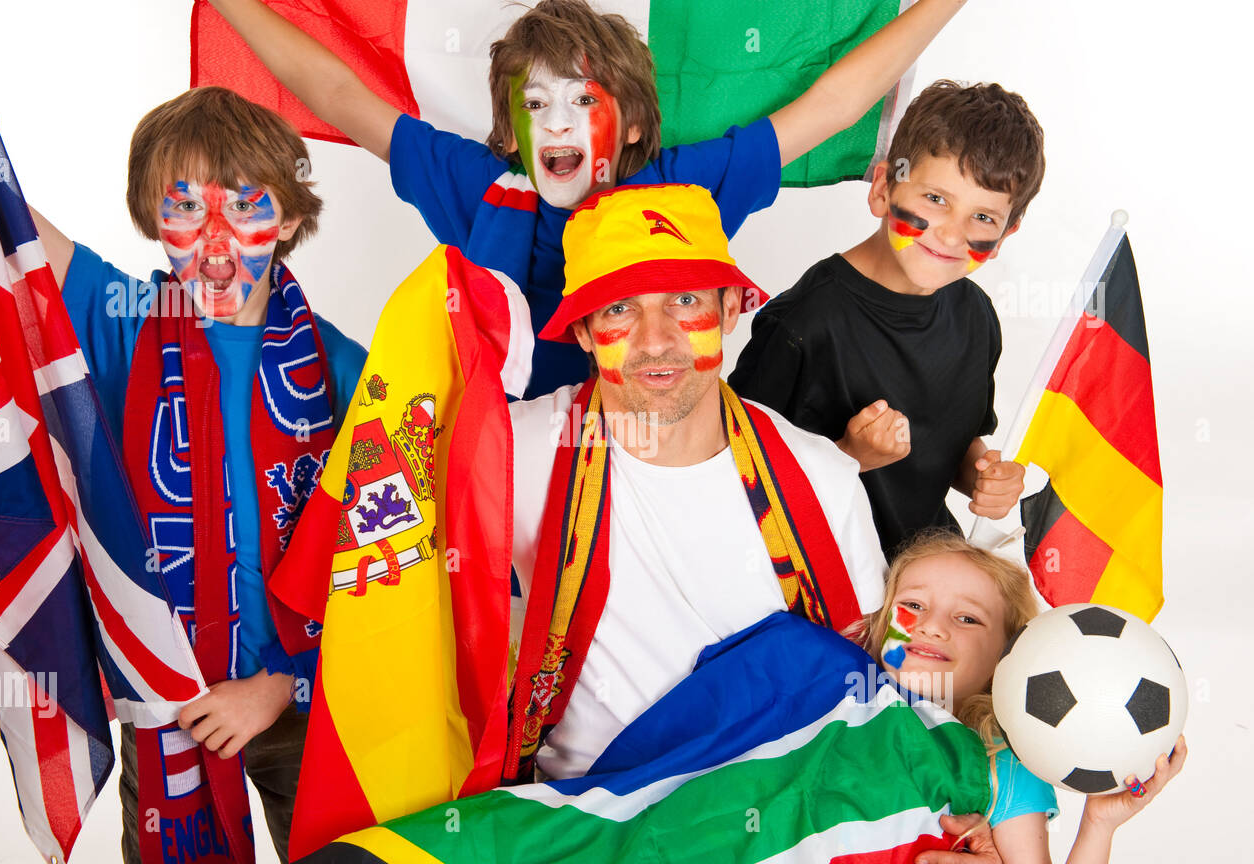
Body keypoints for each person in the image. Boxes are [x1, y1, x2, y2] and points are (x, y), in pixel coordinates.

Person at [208, 0, 969, 397]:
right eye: (536, 106)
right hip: (503, 475)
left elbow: (834, 102)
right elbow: (339, 90)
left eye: (583, 100)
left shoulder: (685, 186)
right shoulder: (482, 187)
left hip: (642, 465)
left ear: (634, 121)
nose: (559, 122)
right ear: (510, 132)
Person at [30, 86, 368, 864]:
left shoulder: (343, 365)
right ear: (156, 222)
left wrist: (284, 682)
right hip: (167, 704)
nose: (215, 244)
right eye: (185, 210)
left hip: (307, 704)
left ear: (286, 220)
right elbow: (5, 228)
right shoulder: (125, 322)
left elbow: (380, 554)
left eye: (244, 208)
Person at [501, 181, 889, 784]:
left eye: (684, 299)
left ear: (731, 308)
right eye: (619, 308)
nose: (656, 339)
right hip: (581, 818)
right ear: (581, 332)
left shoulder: (823, 478)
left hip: (768, 820)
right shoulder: (515, 450)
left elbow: (870, 686)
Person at [729, 80, 1044, 559]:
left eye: (982, 218)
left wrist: (983, 475)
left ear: (1005, 235)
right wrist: (849, 457)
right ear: (882, 189)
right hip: (822, 575)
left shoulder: (976, 316)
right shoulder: (801, 326)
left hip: (926, 570)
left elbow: (952, 448)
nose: (951, 234)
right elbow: (737, 487)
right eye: (935, 199)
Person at [849, 529, 1187, 864]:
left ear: (1008, 655)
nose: (931, 626)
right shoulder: (836, 702)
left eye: (967, 618)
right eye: (913, 605)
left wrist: (1098, 825)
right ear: (879, 622)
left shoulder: (1002, 763)